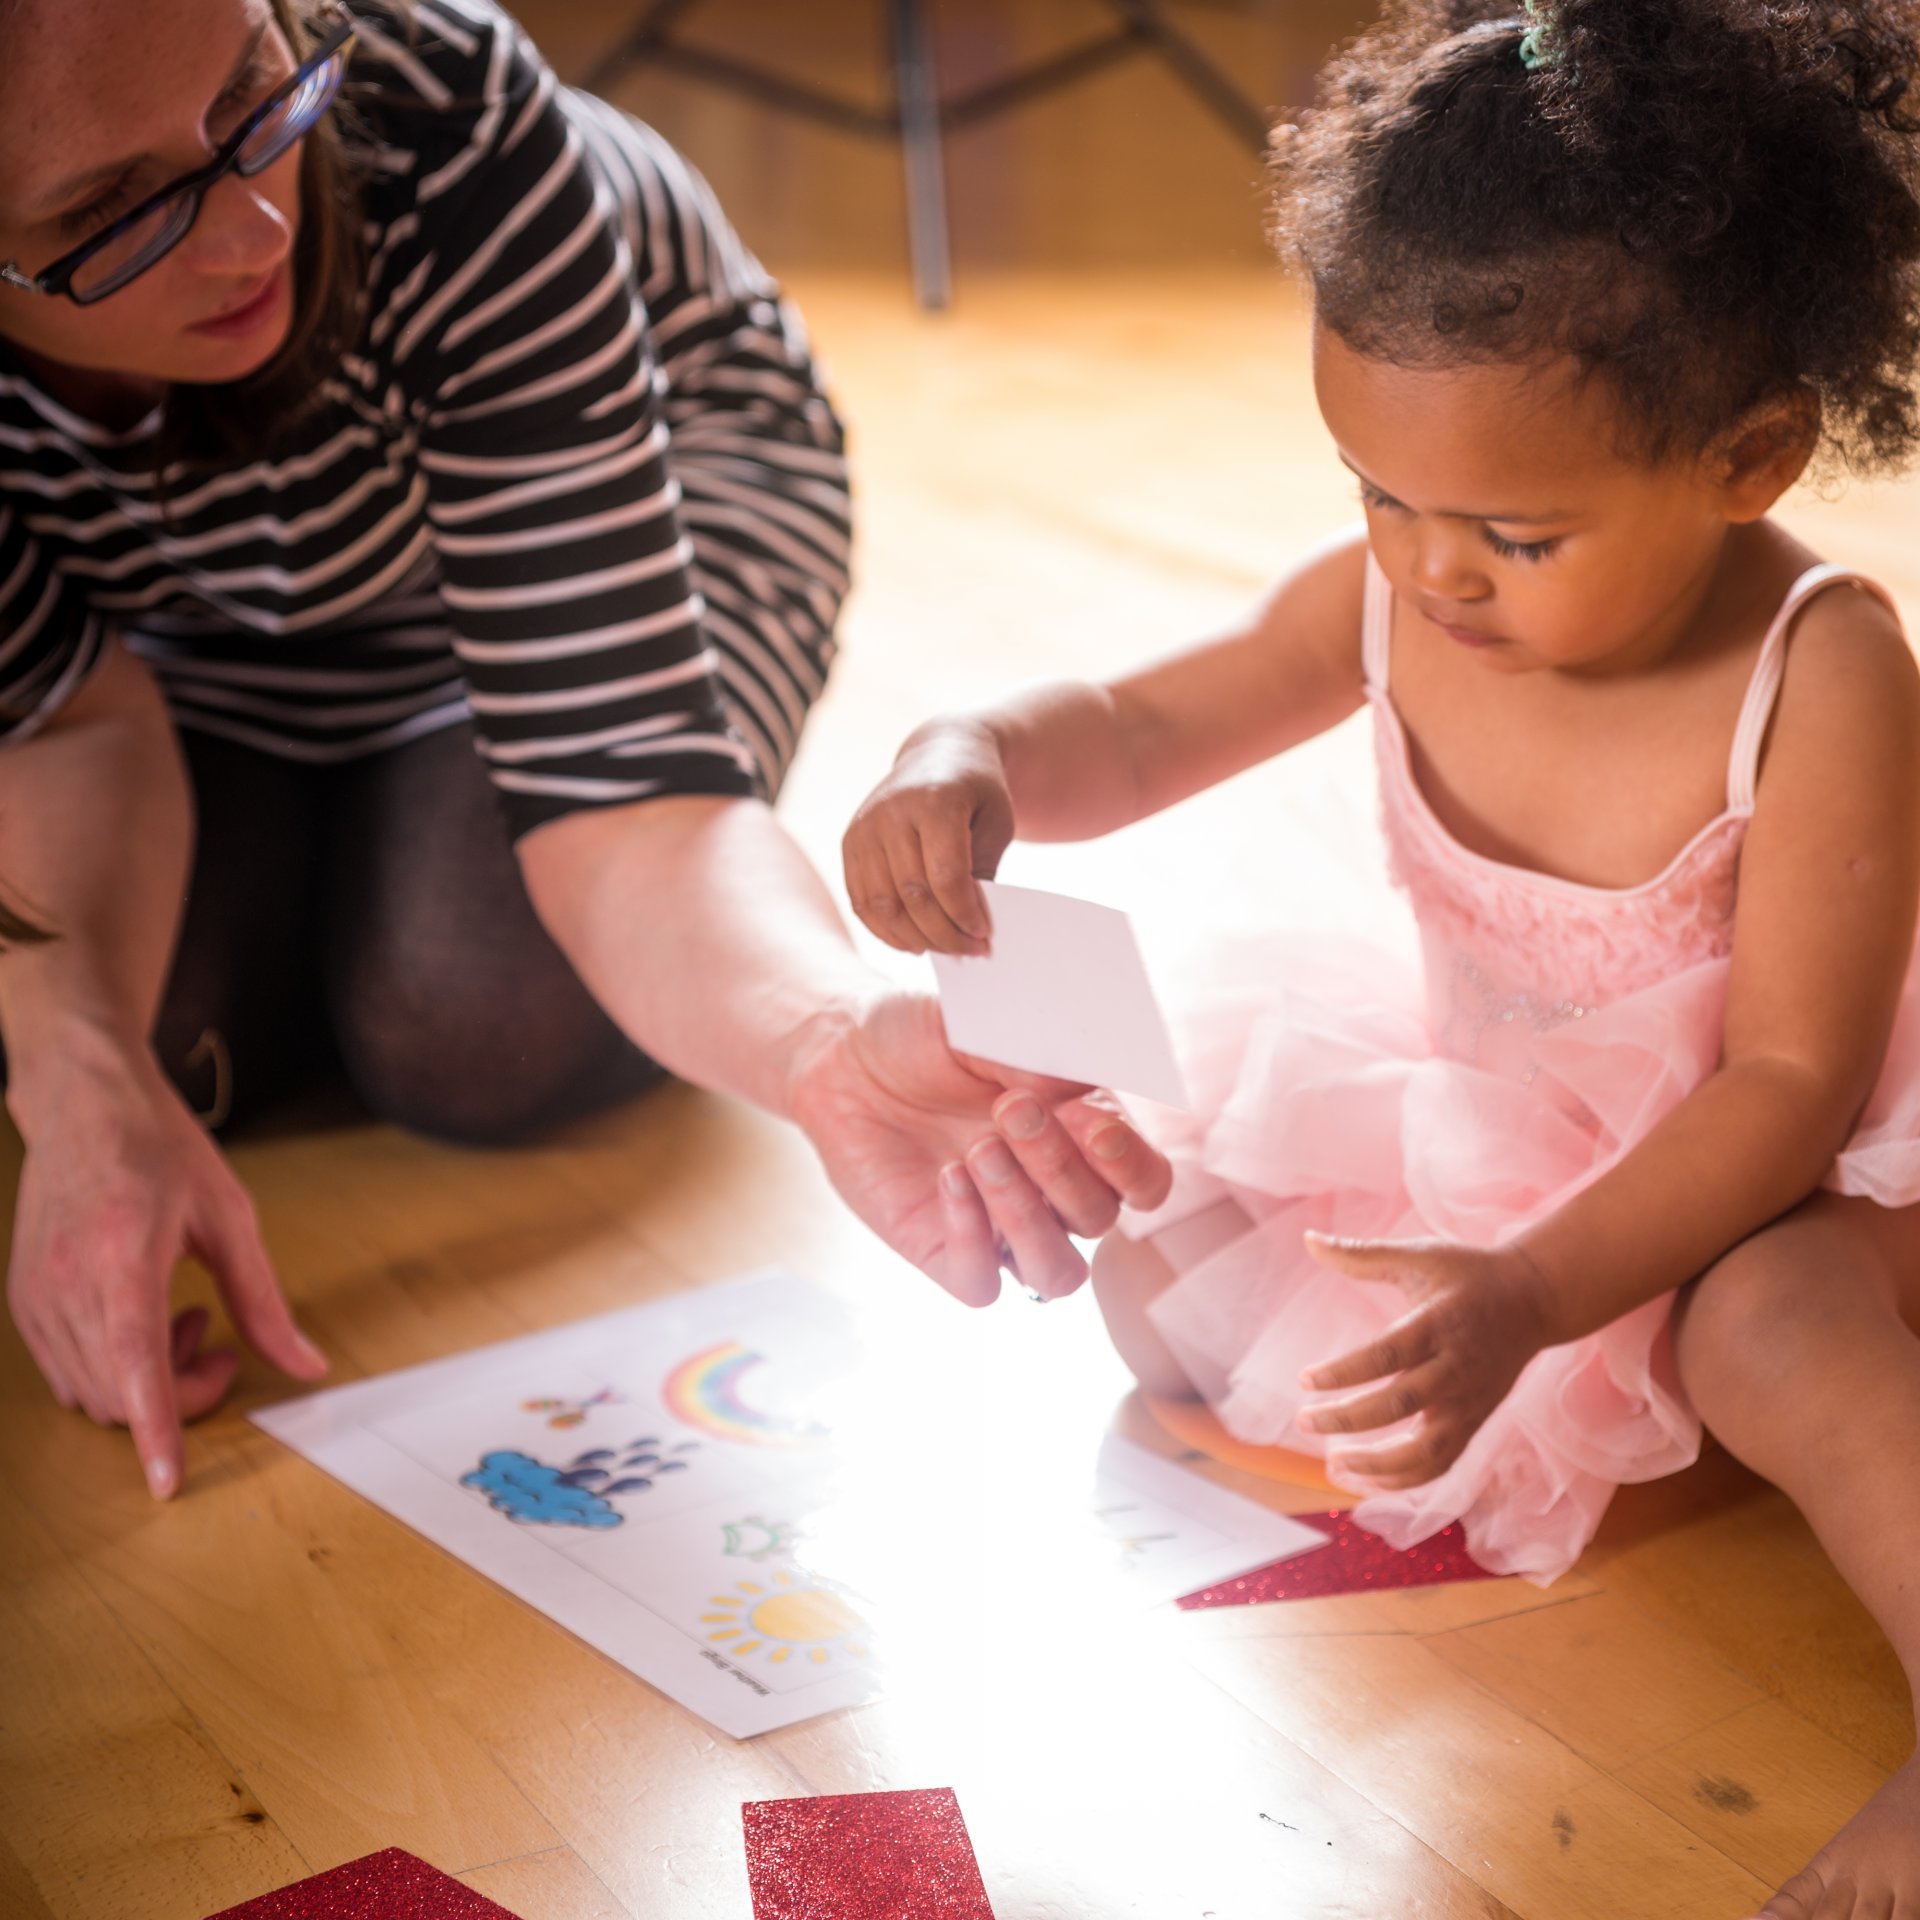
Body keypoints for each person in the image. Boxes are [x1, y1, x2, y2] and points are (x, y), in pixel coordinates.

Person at [844, 2, 1920, 1911]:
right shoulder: (1407, 594)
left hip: (1799, 1156)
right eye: (1379, 495)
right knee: (1164, 1285)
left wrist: (1527, 1295)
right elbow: (1141, 717)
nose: (1429, 572)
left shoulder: (1820, 671)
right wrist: (972, 756)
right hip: (1517, 1129)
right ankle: (1655, 1393)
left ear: (1751, 456)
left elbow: (1786, 1088)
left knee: (1767, 1330)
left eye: (1513, 530)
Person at [0, 0, 1172, 1508]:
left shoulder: (440, 109)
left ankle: (358, 850)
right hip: (196, 611)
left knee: (474, 1016)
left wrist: (820, 1042)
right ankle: (341, 837)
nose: (250, 230)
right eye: (115, 214)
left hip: (654, 495)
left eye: (252, 97)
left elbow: (620, 784)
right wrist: (79, 1072)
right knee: (134, 1030)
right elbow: (60, 716)